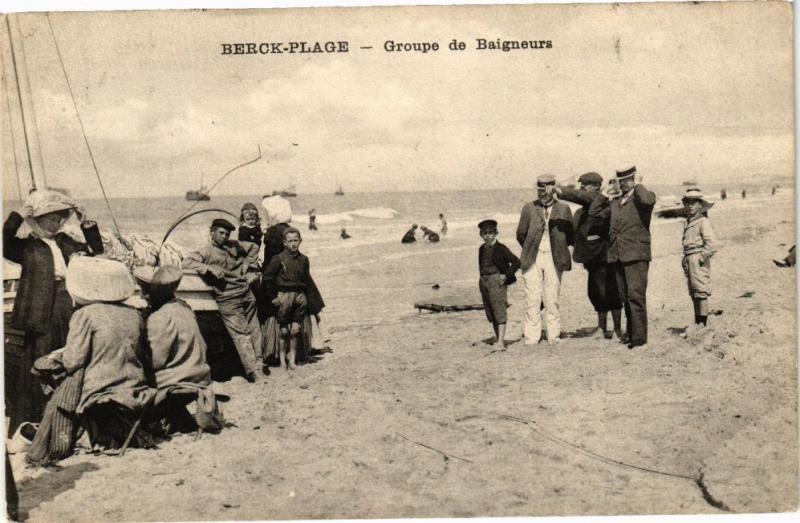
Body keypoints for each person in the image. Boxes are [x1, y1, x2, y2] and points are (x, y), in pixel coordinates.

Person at [2, 189, 104, 434]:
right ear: (37, 220)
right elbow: (3, 240)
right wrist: (18, 215)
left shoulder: (66, 242)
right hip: (38, 312)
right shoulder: (26, 246)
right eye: (51, 219)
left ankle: (67, 419)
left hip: (65, 305)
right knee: (38, 361)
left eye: (60, 218)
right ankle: (33, 422)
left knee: (68, 356)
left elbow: (96, 251)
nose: (57, 223)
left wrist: (86, 222)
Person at [60, 257, 156, 451]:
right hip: (135, 387)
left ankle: (77, 433)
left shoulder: (85, 314)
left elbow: (72, 361)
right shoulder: (133, 314)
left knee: (50, 370)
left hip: (101, 390)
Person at [134, 265, 220, 433]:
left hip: (179, 379)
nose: (143, 297)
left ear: (153, 294)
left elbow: (156, 361)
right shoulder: (184, 307)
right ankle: (179, 419)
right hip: (200, 374)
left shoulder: (160, 317)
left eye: (145, 293)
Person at [182, 218, 266, 383]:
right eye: (221, 233)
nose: (224, 237)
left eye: (227, 234)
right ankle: (254, 371)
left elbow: (254, 247)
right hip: (228, 298)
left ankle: (260, 365)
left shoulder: (234, 245)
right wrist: (209, 268)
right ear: (211, 232)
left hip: (246, 294)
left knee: (255, 329)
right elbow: (186, 262)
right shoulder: (206, 251)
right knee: (241, 334)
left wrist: (247, 267)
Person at [588, 166, 656, 349]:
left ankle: (640, 340)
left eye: (628, 180)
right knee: (625, 297)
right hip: (617, 255)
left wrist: (639, 184)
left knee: (636, 296)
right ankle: (632, 335)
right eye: (621, 180)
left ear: (634, 179)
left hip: (636, 255)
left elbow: (648, 201)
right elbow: (593, 213)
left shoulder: (642, 198)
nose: (624, 184)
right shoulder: (615, 202)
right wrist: (604, 194)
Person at [555, 172, 623, 340]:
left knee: (612, 292)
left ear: (597, 187)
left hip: (605, 256)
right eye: (581, 184)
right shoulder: (580, 212)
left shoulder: (604, 202)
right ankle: (601, 329)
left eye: (586, 184)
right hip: (591, 259)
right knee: (595, 293)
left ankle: (616, 330)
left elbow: (584, 197)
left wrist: (559, 189)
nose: (582, 187)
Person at [516, 174, 574, 345]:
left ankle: (553, 336)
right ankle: (532, 337)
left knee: (552, 298)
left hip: (554, 257)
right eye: (540, 190)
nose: (543, 193)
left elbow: (570, 234)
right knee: (532, 298)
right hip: (532, 258)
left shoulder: (563, 208)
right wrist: (531, 248)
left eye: (547, 190)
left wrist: (560, 248)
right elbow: (521, 234)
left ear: (553, 190)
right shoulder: (528, 208)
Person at [262, 227, 314, 370]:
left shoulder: (304, 259)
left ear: (300, 241)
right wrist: (273, 297)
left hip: (299, 296)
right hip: (284, 296)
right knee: (284, 331)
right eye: (290, 241)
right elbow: (267, 279)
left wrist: (306, 299)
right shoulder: (278, 258)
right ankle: (283, 360)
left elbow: (306, 280)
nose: (293, 244)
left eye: (295, 240)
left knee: (296, 330)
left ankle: (292, 361)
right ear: (284, 243)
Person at [477, 219, 521, 348]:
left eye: (490, 232)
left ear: (496, 233)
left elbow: (517, 262)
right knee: (490, 311)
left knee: (499, 310)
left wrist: (506, 276)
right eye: (485, 233)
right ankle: (498, 339)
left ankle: (501, 342)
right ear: (481, 234)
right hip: (484, 280)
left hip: (496, 280)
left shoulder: (501, 248)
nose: (488, 235)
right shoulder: (481, 249)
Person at [681, 188, 716, 329]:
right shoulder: (689, 222)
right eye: (687, 203)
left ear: (700, 205)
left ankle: (703, 324)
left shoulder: (703, 221)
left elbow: (712, 245)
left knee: (701, 292)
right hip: (689, 257)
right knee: (694, 292)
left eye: (693, 203)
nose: (690, 206)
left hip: (697, 257)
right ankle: (698, 322)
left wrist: (701, 258)